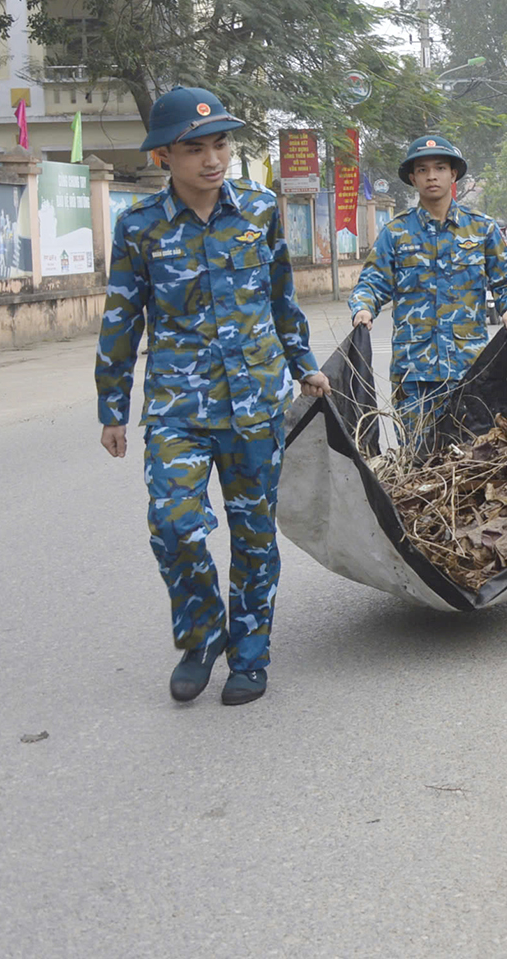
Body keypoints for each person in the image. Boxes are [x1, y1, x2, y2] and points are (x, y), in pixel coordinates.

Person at [95, 86, 330, 706]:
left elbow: (281, 297)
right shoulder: (138, 228)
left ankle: (250, 656)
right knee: (174, 526)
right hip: (177, 406)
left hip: (256, 402)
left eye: (220, 143)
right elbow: (122, 320)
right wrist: (112, 408)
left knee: (254, 536)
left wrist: (304, 363)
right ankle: (202, 635)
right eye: (194, 148)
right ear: (162, 159)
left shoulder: (257, 209)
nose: (212, 158)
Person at [349, 135, 507, 425]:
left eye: (440, 168)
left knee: (473, 461)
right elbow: (372, 282)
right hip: (414, 375)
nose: (431, 176)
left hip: (470, 371)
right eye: (422, 170)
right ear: (412, 177)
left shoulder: (481, 229)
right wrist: (363, 307)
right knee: (418, 462)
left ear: (453, 174)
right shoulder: (395, 233)